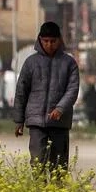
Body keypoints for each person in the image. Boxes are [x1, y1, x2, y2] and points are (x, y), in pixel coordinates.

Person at [13, 22, 80, 174]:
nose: (49, 45)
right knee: (38, 164)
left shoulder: (69, 63)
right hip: (37, 123)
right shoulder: (31, 63)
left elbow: (73, 89)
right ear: (40, 40)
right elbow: (21, 92)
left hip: (59, 123)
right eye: (46, 41)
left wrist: (60, 108)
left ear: (59, 41)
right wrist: (19, 120)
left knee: (59, 167)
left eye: (53, 41)